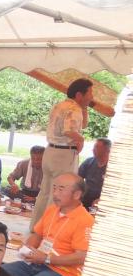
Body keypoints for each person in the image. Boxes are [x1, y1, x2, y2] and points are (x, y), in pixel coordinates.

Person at [2, 173, 94, 276]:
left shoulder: (85, 220)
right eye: (54, 188)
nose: (55, 193)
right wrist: (28, 248)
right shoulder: (52, 210)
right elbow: (37, 234)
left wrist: (47, 259)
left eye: (61, 189)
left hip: (63, 273)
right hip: (37, 262)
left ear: (77, 194)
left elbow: (82, 256)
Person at [31, 78, 94, 227]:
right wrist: (81, 140)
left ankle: (36, 226)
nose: (92, 97)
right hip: (63, 154)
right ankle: (48, 229)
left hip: (50, 151)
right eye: (90, 93)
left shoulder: (60, 105)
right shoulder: (74, 108)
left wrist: (85, 108)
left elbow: (83, 125)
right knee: (59, 194)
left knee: (45, 192)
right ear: (79, 95)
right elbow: (68, 131)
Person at [78, 137, 111, 208]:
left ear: (107, 150)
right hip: (85, 198)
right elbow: (78, 179)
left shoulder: (112, 168)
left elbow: (112, 191)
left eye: (97, 147)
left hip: (102, 201)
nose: (93, 149)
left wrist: (102, 200)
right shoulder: (88, 162)